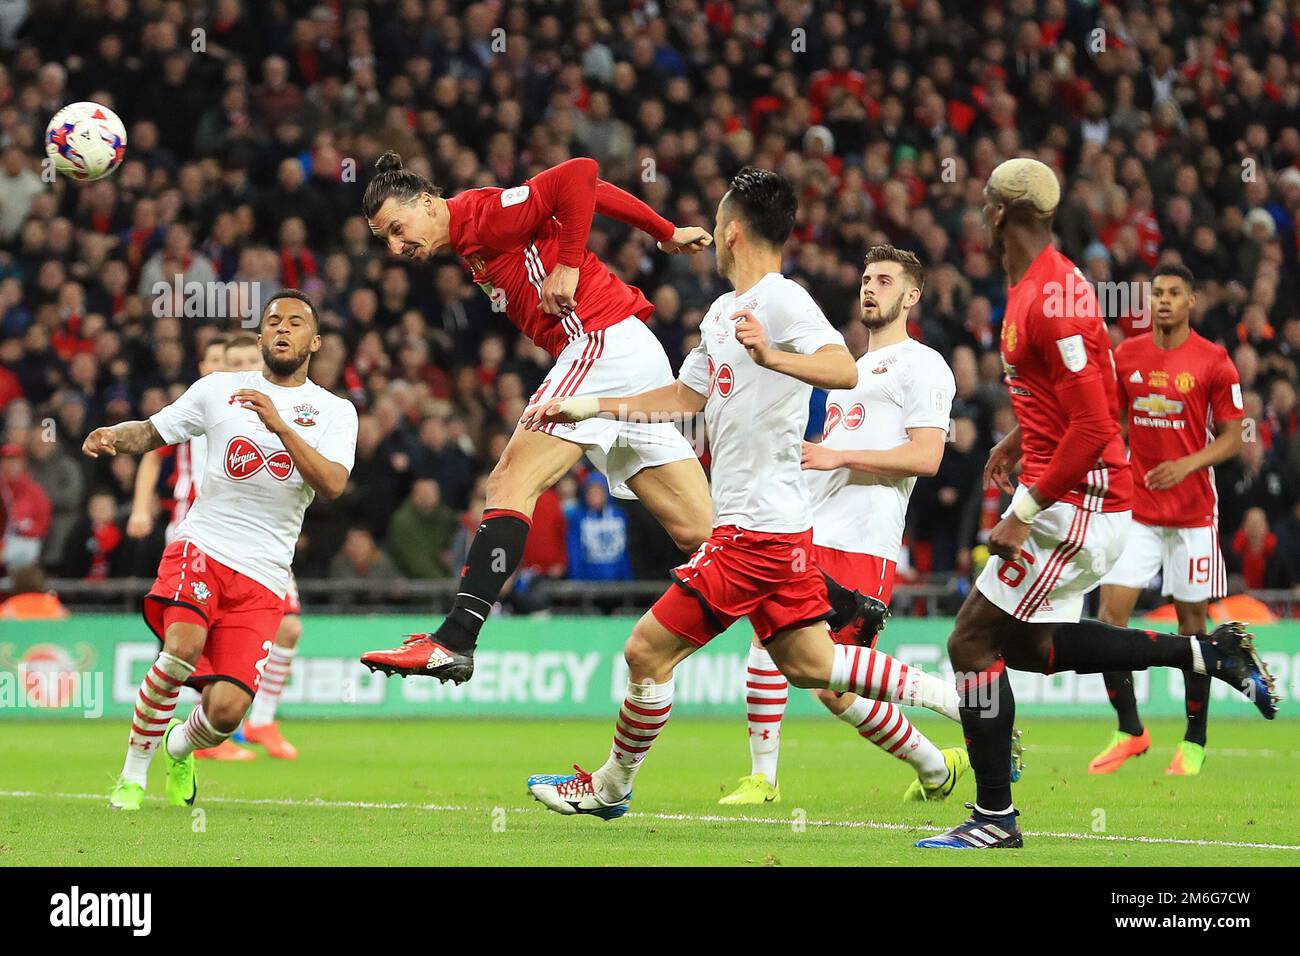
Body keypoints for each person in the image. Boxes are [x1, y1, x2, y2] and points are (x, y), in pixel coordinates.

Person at [520, 168, 960, 820]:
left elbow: (840, 368)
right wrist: (589, 405)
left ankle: (610, 788)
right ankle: (965, 705)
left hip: (753, 530)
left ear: (730, 232)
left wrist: (774, 357)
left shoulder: (782, 300)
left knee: (645, 649)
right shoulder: (723, 312)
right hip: (776, 529)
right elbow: (682, 398)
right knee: (815, 665)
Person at [919, 158, 1277, 851]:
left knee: (969, 641)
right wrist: (1021, 437)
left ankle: (994, 818)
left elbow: (1095, 426)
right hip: (1073, 489)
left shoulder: (1052, 295)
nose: (979, 214)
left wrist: (1025, 507)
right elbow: (1085, 392)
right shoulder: (1042, 284)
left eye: (987, 204)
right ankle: (1206, 652)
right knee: (1029, 646)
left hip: (1081, 499)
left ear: (1005, 213)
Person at [356, 152, 714, 684]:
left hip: (598, 342)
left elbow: (581, 173)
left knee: (508, 479)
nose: (394, 247)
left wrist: (568, 265)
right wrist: (662, 230)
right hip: (627, 354)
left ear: (427, 204)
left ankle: (455, 639)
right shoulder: (473, 238)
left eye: (396, 229)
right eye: (383, 238)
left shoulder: (483, 216)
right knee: (702, 534)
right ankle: (836, 606)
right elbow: (585, 194)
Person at [719, 243, 970, 807]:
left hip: (862, 542)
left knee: (828, 680)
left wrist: (838, 457)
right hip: (810, 530)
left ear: (911, 296)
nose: (869, 287)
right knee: (784, 648)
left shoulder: (924, 363)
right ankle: (767, 778)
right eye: (865, 277)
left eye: (884, 279)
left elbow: (927, 457)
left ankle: (948, 741)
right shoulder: (848, 369)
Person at [87, 290, 358, 811]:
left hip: (264, 574)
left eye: (295, 322)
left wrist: (280, 425)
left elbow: (332, 484)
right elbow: (151, 433)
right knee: (182, 648)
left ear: (314, 341)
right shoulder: (218, 389)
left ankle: (180, 744)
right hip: (203, 545)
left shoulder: (335, 412)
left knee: (227, 711)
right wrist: (113, 437)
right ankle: (131, 776)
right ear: (259, 338)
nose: (282, 328)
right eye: (272, 321)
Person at [1090, 263, 1244, 777]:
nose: (1164, 301)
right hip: (1137, 511)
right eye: (1158, 293)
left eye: (1175, 293)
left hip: (1194, 514)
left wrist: (1187, 462)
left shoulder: (1214, 361)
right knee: (1110, 617)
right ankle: (1130, 730)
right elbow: (1108, 419)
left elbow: (1232, 436)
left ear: (1191, 301)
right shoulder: (1127, 355)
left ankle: (1195, 739)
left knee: (1193, 628)